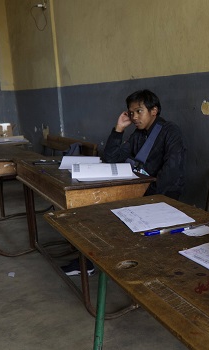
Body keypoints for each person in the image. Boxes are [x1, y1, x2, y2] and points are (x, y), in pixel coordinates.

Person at [61, 89, 186, 276]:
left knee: (111, 215)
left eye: (139, 111)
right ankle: (92, 259)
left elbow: (171, 171)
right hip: (137, 190)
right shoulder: (138, 135)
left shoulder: (169, 131)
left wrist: (142, 196)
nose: (134, 116)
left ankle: (94, 260)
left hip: (162, 194)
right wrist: (119, 129)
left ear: (154, 110)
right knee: (97, 209)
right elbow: (111, 158)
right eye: (131, 112)